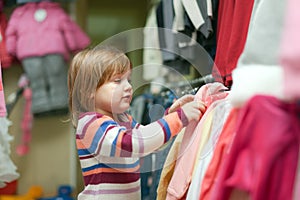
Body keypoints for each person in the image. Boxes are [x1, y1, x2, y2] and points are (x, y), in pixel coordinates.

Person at [67, 45, 206, 200]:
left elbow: (152, 144)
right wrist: (177, 118)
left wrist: (171, 114)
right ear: (89, 90)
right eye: (117, 80)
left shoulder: (123, 119)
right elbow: (134, 143)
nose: (128, 87)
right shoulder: (91, 125)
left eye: (129, 80)